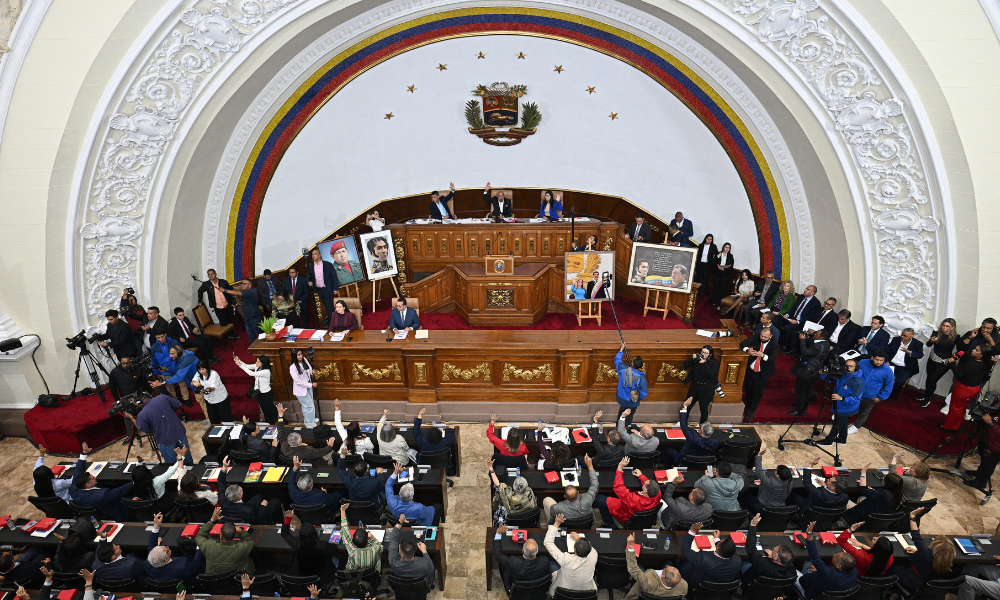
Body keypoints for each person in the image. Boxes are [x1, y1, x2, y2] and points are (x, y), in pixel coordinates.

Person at [889, 508, 954, 593]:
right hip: (923, 588)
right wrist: (917, 552)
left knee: (890, 563)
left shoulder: (926, 554)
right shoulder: (946, 561)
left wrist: (912, 517)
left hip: (911, 581)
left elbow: (916, 536)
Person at [69, 442, 134, 521]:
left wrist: (84, 453)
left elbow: (78, 470)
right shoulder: (101, 495)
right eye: (92, 478)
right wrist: (134, 481)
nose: (95, 477)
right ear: (87, 485)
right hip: (116, 511)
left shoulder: (74, 488)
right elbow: (119, 491)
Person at [126, 392, 193, 465]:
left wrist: (131, 417)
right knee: (187, 457)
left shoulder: (142, 414)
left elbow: (142, 428)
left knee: (171, 464)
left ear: (138, 402)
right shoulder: (162, 397)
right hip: (180, 432)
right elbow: (179, 404)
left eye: (134, 402)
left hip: (166, 440)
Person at [796, 521, 858, 599]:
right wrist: (821, 570)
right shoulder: (854, 572)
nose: (834, 555)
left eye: (836, 557)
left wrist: (809, 534)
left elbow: (815, 558)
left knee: (791, 568)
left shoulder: (829, 574)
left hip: (808, 590)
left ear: (839, 566)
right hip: (827, 591)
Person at [593, 457, 661, 527]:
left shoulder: (634, 499)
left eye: (645, 483)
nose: (644, 481)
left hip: (626, 514)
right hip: (641, 513)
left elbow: (618, 488)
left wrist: (619, 468)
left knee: (599, 498)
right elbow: (649, 485)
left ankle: (611, 524)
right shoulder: (657, 492)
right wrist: (641, 476)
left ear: (645, 490)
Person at [218, 456, 284, 524]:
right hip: (256, 519)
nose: (241, 489)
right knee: (276, 502)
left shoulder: (222, 500)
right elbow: (259, 517)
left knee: (259, 496)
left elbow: (221, 483)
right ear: (239, 497)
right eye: (241, 491)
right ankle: (279, 524)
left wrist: (224, 467)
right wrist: (263, 506)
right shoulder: (248, 510)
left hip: (240, 511)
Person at [545, 513, 598, 595]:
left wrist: (556, 524)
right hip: (586, 592)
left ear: (575, 550)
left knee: (551, 563)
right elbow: (589, 546)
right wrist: (578, 539)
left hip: (563, 592)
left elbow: (548, 542)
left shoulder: (566, 559)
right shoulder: (594, 555)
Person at [943, 344, 992, 430]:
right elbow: (985, 377)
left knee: (955, 408)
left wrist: (952, 363)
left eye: (976, 350)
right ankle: (956, 425)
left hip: (964, 389)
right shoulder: (987, 364)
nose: (973, 350)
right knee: (962, 407)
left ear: (982, 355)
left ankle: (949, 427)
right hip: (975, 389)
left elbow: (959, 375)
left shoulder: (971, 364)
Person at [146, 513, 204, 586]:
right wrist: (199, 546)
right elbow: (196, 565)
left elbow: (151, 544)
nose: (167, 546)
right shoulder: (182, 566)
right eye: (166, 549)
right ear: (166, 559)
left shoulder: (150, 561)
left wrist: (156, 525)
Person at [815, 358, 863, 445]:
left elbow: (856, 399)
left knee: (837, 423)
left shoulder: (858, 381)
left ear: (856, 368)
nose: (847, 368)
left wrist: (841, 398)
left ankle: (828, 441)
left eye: (850, 366)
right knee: (843, 422)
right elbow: (831, 379)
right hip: (839, 404)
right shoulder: (842, 374)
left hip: (847, 407)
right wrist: (824, 374)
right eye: (846, 366)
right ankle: (842, 439)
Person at [280, 509, 335, 583]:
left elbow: (284, 533)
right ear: (315, 534)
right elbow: (335, 548)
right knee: (335, 560)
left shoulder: (297, 544)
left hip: (302, 578)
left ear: (300, 535)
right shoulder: (323, 545)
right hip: (321, 578)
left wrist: (288, 518)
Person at [492, 524, 549, 595]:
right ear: (537, 552)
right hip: (537, 593)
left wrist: (498, 534)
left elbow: (498, 554)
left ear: (522, 551)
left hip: (517, 594)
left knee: (502, 565)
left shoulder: (514, 562)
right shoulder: (544, 561)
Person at [680, 522, 742, 588]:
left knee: (683, 563)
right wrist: (717, 540)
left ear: (717, 548)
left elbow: (685, 549)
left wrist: (692, 531)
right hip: (719, 587)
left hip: (698, 584)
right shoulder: (738, 561)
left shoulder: (705, 560)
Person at [197, 506, 256, 574]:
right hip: (238, 577)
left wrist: (212, 520)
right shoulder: (242, 547)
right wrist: (240, 531)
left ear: (221, 535)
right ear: (234, 536)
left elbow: (199, 536)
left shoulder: (208, 546)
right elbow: (250, 541)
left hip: (214, 578)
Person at [663, 397, 719, 468]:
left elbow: (683, 425)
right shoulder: (715, 443)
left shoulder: (692, 438)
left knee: (666, 450)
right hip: (700, 464)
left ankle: (667, 469)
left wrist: (685, 406)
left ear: (700, 430)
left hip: (683, 463)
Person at [742, 514, 795, 585]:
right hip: (771, 589)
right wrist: (771, 559)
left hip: (753, 585)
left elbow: (751, 549)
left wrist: (752, 526)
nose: (773, 548)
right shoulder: (791, 570)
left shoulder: (763, 564)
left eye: (774, 550)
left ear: (776, 558)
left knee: (743, 561)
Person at [850, 350, 894, 434]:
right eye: (877, 360)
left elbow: (889, 386)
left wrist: (881, 397)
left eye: (881, 360)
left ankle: (856, 427)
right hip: (856, 391)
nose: (879, 362)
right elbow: (854, 373)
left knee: (863, 413)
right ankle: (840, 416)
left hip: (871, 396)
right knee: (847, 405)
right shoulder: (863, 362)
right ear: (872, 358)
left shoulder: (887, 371)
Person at [543, 453, 598, 522]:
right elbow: (595, 485)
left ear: (565, 497)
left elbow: (553, 518)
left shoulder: (556, 507)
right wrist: (590, 466)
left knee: (546, 500)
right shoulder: (588, 499)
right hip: (585, 523)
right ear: (578, 493)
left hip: (564, 524)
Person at [789, 329, 831, 416]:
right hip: (814, 370)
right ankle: (804, 406)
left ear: (821, 337)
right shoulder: (826, 343)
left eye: (816, 333)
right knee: (808, 389)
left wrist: (802, 340)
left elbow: (805, 352)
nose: (814, 334)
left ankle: (800, 410)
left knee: (801, 390)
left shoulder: (818, 346)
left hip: (808, 370)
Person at [740, 326, 778, 421]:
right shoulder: (756, 337)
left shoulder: (775, 345)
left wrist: (763, 355)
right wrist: (747, 350)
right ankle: (748, 406)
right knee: (749, 389)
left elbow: (773, 358)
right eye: (762, 336)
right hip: (751, 370)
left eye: (765, 337)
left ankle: (752, 409)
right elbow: (743, 343)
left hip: (762, 373)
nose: (763, 338)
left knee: (757, 392)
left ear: (771, 336)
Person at [131, 447, 186, 513]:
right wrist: (181, 458)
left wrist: (139, 463)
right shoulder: (156, 481)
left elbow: (138, 475)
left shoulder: (136, 482)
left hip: (149, 502)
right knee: (181, 491)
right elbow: (171, 471)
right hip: (163, 502)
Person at [386, 514, 435, 585]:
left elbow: (393, 539)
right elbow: (431, 569)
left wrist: (400, 522)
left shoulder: (393, 561)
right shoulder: (425, 564)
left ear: (402, 555)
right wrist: (424, 551)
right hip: (419, 586)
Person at [920, 318, 959, 407]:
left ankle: (927, 398)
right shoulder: (936, 333)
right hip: (932, 359)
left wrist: (954, 358)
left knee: (933, 380)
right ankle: (926, 395)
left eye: (947, 326)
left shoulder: (956, 337)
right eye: (943, 325)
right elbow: (928, 345)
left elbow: (961, 350)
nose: (944, 328)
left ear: (952, 327)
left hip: (944, 362)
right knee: (929, 378)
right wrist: (931, 341)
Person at [488, 458, 537, 524]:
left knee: (500, 505)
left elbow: (497, 485)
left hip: (512, 516)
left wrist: (491, 468)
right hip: (527, 517)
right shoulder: (529, 491)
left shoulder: (508, 495)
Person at [743, 449, 793, 513]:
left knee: (747, 498)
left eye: (775, 470)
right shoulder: (791, 483)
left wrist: (759, 455)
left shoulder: (771, 483)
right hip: (779, 508)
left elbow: (759, 472)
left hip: (764, 507)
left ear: (778, 475)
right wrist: (763, 482)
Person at [776, 286, 823, 352]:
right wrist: (787, 314)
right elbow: (794, 308)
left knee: (788, 328)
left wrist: (798, 322)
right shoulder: (801, 297)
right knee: (775, 321)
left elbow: (810, 317)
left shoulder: (815, 303)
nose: (805, 290)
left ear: (812, 293)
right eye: (806, 288)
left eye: (808, 289)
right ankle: (778, 340)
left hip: (801, 323)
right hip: (792, 318)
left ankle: (788, 345)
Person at [235, 354, 278, 424]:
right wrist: (239, 361)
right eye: (257, 361)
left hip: (266, 393)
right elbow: (247, 366)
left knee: (271, 409)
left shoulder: (266, 371)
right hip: (259, 392)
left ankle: (282, 421)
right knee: (264, 409)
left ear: (263, 363)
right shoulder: (257, 366)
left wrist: (240, 365)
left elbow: (251, 373)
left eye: (258, 362)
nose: (256, 363)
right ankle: (270, 422)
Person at [340, 502, 383, 571]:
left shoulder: (351, 549)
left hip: (353, 574)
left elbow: (345, 529)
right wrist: (372, 537)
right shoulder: (375, 548)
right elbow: (381, 547)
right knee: (379, 561)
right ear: (367, 540)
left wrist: (342, 510)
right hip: (370, 573)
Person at [963, 411, 1000, 490]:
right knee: (984, 459)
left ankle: (980, 482)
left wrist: (990, 423)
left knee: (989, 464)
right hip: (987, 439)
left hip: (997, 447)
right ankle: (979, 473)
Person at [684, 345, 720, 423]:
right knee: (687, 405)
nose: (703, 354)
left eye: (706, 353)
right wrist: (692, 358)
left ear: (710, 354)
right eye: (702, 352)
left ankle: (702, 425)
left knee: (703, 408)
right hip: (695, 387)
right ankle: (683, 422)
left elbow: (711, 374)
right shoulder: (697, 359)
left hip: (706, 388)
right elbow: (686, 363)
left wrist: (704, 363)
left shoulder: (714, 362)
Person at [615, 343, 647, 425]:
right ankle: (627, 427)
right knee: (629, 416)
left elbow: (618, 361)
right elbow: (644, 392)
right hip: (632, 402)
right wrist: (638, 398)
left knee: (621, 414)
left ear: (632, 363)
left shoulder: (623, 370)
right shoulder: (641, 377)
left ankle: (618, 427)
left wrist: (621, 350)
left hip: (621, 398)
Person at [886, 328, 924, 397]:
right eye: (902, 335)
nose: (902, 337)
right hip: (891, 364)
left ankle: (887, 391)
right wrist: (887, 361)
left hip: (904, 368)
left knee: (900, 381)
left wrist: (909, 352)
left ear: (911, 336)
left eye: (905, 336)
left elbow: (920, 355)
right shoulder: (896, 340)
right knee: (880, 374)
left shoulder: (917, 344)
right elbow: (887, 352)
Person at [306, 247, 339, 326]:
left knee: (329, 306)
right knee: (326, 305)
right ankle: (329, 319)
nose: (313, 256)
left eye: (315, 254)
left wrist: (335, 288)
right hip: (318, 289)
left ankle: (332, 323)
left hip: (328, 288)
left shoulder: (327, 264)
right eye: (312, 254)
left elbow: (334, 276)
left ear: (319, 255)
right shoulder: (310, 266)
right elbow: (308, 276)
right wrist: (308, 282)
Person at [289, 348, 318, 428]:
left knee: (309, 405)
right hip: (301, 390)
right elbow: (299, 382)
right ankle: (309, 424)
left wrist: (312, 372)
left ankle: (310, 419)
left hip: (308, 386)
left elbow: (309, 368)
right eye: (298, 355)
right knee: (309, 406)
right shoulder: (293, 368)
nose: (301, 356)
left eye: (301, 354)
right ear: (294, 356)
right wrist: (311, 385)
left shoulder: (304, 360)